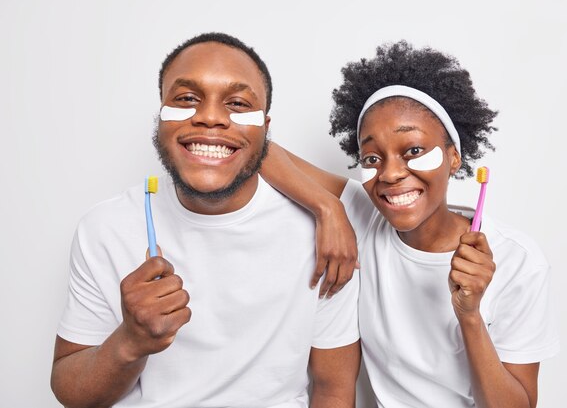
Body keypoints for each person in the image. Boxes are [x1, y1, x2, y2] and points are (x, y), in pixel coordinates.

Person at [50, 32, 361, 408]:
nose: (210, 116)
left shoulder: (329, 239)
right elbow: (71, 393)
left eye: (237, 103)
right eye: (186, 99)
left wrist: (329, 208)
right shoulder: (105, 227)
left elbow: (333, 389)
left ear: (265, 126)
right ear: (161, 115)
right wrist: (130, 342)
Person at [263, 41, 560, 408]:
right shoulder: (363, 214)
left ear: (454, 157)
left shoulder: (518, 262)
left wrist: (469, 316)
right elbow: (257, 148)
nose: (389, 173)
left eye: (414, 151)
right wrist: (328, 208)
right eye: (372, 157)